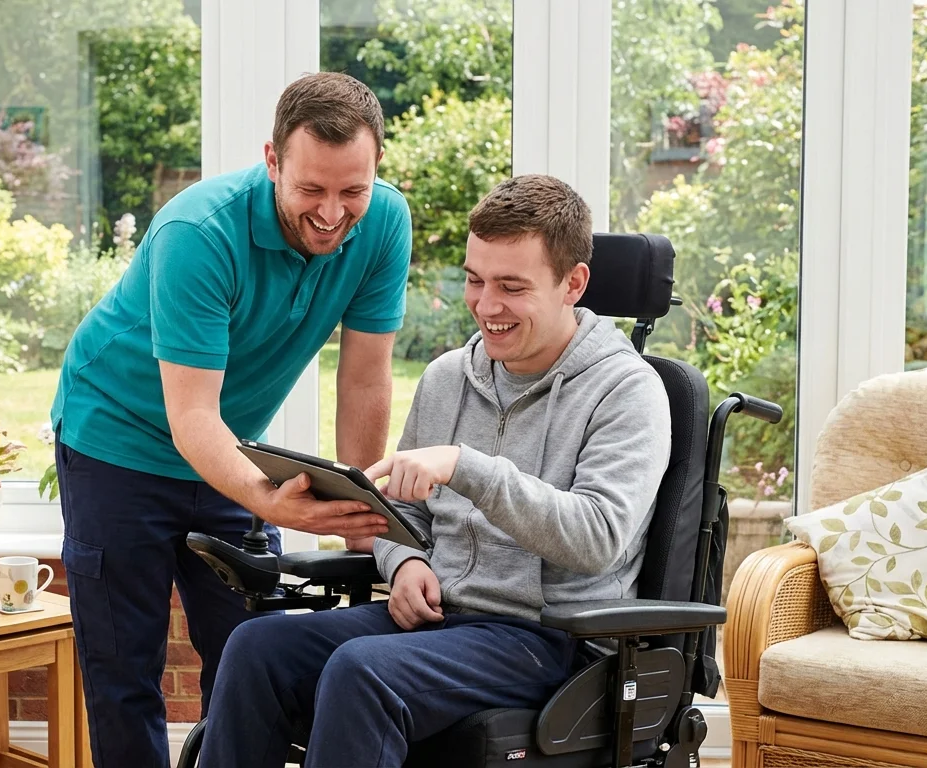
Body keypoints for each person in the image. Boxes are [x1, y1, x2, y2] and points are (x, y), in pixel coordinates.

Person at [198, 174, 674, 768]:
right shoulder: (449, 378)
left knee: (363, 671)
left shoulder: (628, 391)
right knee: (257, 647)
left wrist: (467, 467)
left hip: (551, 637)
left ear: (572, 284)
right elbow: (400, 514)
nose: (486, 305)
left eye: (512, 286)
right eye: (476, 280)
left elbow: (598, 538)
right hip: (442, 621)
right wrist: (406, 564)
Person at [48, 71, 414, 767]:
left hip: (228, 449)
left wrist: (362, 518)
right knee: (125, 669)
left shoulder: (385, 223)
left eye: (352, 190)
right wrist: (277, 504)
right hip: (116, 441)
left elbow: (365, 377)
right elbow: (190, 416)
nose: (332, 213)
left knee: (254, 655)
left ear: (377, 169)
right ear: (272, 160)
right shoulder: (200, 231)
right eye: (311, 189)